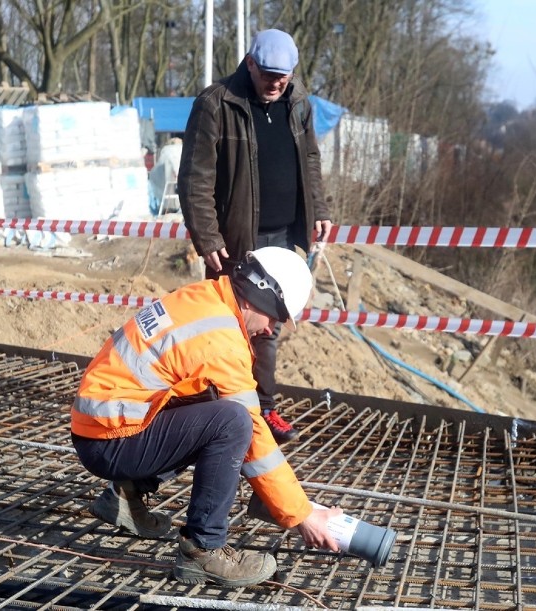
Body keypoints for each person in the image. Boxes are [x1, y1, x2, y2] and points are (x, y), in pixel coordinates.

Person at [71, 247, 341, 588]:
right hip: (110, 441)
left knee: (210, 402)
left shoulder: (207, 296)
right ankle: (203, 550)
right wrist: (302, 515)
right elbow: (254, 436)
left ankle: (125, 494)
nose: (271, 329)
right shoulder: (222, 340)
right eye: (275, 317)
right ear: (261, 296)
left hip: (104, 426)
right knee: (233, 421)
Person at [178, 28, 333, 443]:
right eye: (268, 74)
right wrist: (207, 238)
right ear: (250, 63)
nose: (276, 83)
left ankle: (262, 411)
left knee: (267, 328)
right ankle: (216, 412)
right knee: (228, 329)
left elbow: (311, 160)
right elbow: (195, 179)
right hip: (238, 240)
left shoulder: (298, 102)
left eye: (283, 76)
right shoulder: (216, 104)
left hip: (283, 239)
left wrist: (318, 209)